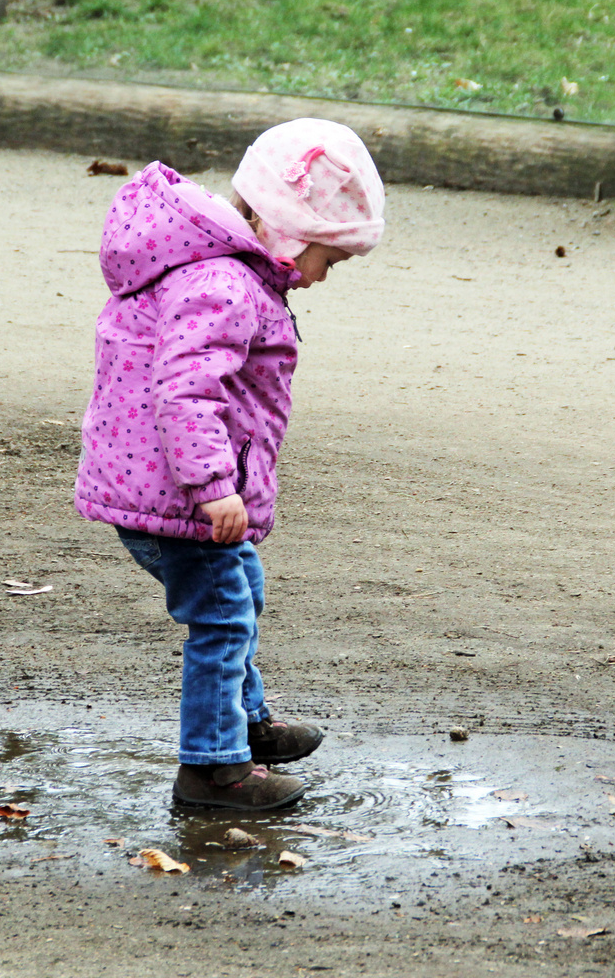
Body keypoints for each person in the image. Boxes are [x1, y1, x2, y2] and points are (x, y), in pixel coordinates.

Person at [74, 118, 386, 811]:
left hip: (170, 490)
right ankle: (213, 770)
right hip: (179, 498)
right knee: (221, 617)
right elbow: (184, 389)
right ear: (288, 231)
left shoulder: (233, 276)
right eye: (326, 261)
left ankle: (244, 723)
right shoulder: (224, 284)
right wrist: (213, 486)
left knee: (240, 591)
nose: (320, 279)